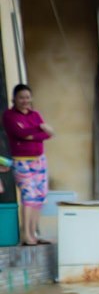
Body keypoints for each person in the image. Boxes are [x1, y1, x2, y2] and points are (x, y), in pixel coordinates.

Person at [2, 84, 53, 245]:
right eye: (21, 97)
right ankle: (26, 235)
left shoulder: (35, 114)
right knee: (28, 196)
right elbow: (20, 133)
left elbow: (48, 134)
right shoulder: (9, 116)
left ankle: (34, 233)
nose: (25, 101)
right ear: (14, 99)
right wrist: (39, 129)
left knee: (39, 196)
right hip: (21, 161)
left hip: (39, 159)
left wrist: (35, 133)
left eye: (27, 97)